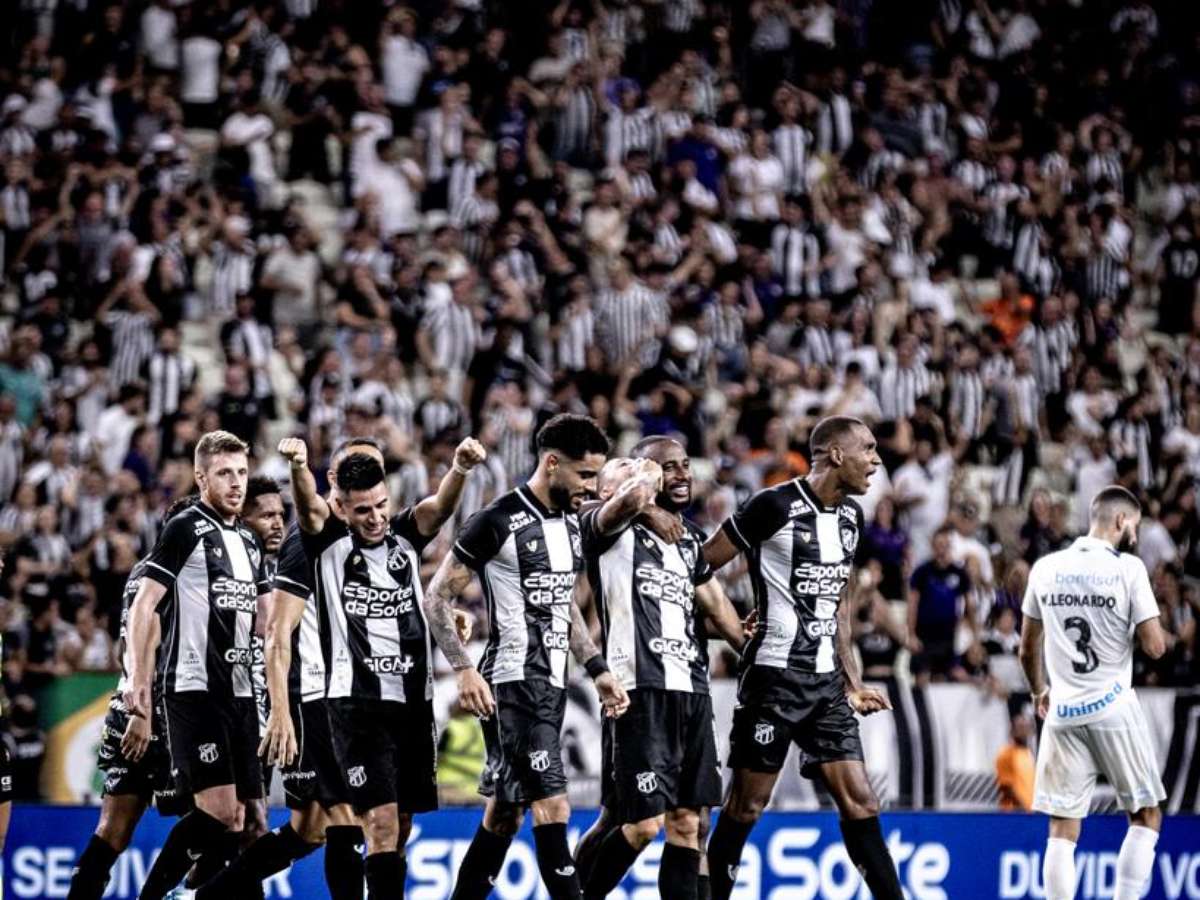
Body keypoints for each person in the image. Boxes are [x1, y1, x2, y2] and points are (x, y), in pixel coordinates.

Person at [255, 436, 485, 900]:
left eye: (381, 505)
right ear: (340, 506)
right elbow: (309, 508)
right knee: (374, 823)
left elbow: (440, 508)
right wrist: (299, 468)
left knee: (398, 826)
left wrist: (460, 468)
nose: (376, 518)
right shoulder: (323, 541)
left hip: (412, 704)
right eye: (363, 510)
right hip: (354, 706)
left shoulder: (403, 535)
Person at [422, 413, 631, 900]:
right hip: (514, 684)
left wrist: (596, 669)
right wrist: (464, 669)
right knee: (553, 808)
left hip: (551, 684)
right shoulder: (497, 520)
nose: (591, 487)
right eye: (584, 475)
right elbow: (436, 597)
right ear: (552, 463)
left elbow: (561, 605)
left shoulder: (571, 523)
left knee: (505, 814)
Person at [702, 415, 903, 900]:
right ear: (836, 454)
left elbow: (839, 606)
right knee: (746, 807)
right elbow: (700, 565)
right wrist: (727, 627)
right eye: (868, 449)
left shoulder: (851, 518)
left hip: (827, 686)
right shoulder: (773, 506)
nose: (876, 461)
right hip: (773, 681)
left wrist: (851, 682)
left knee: (862, 803)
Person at [579, 436, 748, 900]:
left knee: (689, 824)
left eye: (685, 465)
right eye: (667, 467)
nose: (682, 474)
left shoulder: (688, 538)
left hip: (692, 690)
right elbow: (631, 497)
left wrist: (750, 646)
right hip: (638, 689)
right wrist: (647, 498)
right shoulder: (602, 523)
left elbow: (718, 607)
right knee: (640, 824)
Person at [122, 431, 272, 900]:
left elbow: (269, 623)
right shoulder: (185, 527)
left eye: (242, 472)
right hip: (195, 689)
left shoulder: (249, 542)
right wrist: (138, 684)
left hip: (242, 693)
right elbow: (144, 605)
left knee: (247, 819)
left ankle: (195, 893)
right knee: (221, 810)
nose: (236, 483)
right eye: (225, 473)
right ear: (201, 478)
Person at [1019, 485, 1169, 900]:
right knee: (1145, 816)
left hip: (1062, 712)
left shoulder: (1046, 567)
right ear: (1121, 521)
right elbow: (1155, 647)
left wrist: (1038, 690)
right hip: (1113, 707)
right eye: (1135, 526)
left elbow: (1027, 648)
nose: (1135, 534)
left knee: (1062, 828)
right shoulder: (1129, 569)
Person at [66, 497, 198, 900]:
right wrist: (145, 712)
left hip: (128, 706)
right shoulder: (178, 572)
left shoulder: (141, 570)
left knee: (113, 830)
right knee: (220, 816)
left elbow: (126, 645)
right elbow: (149, 639)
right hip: (162, 712)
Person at [995, 714, 1035, 811]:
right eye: (1020, 728)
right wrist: (1023, 807)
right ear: (1012, 731)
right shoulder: (1006, 754)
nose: (1023, 732)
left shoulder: (1028, 754)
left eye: (1026, 728)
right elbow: (1006, 786)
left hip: (1030, 812)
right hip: (1014, 812)